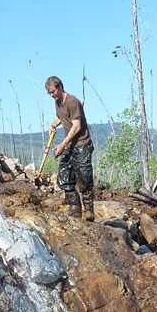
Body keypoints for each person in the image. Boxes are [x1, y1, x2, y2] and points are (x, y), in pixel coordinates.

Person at [45, 76, 95, 222]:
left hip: (81, 145)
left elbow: (77, 126)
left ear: (60, 87)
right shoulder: (57, 102)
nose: (52, 95)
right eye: (49, 93)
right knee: (64, 176)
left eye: (53, 92)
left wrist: (62, 144)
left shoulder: (72, 101)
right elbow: (60, 116)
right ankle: (75, 209)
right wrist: (53, 124)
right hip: (69, 146)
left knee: (84, 179)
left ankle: (89, 212)